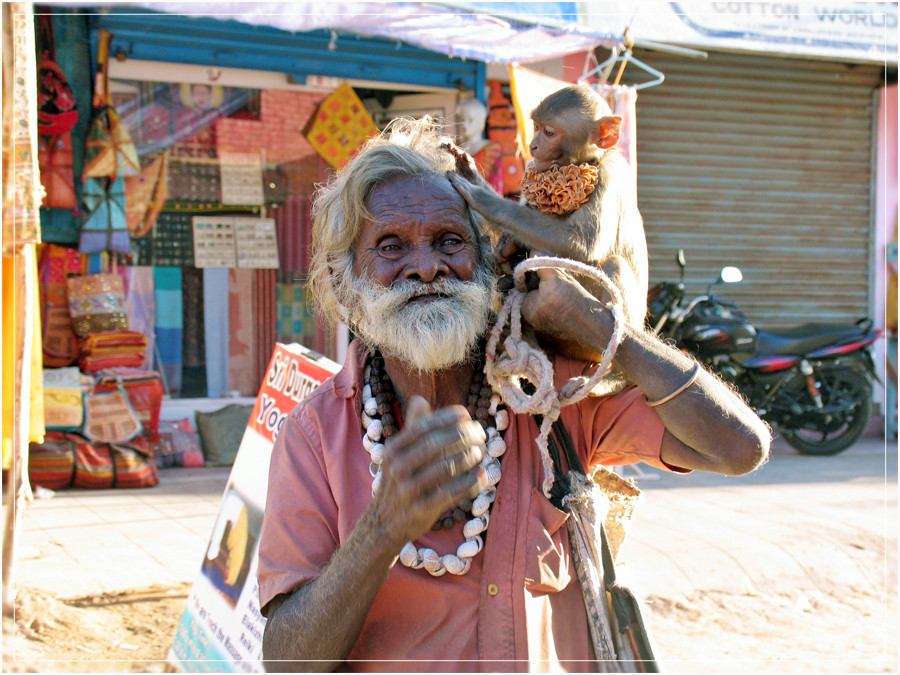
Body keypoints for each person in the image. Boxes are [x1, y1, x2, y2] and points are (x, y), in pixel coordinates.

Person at [257, 117, 771, 672]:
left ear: (486, 260)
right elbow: (287, 662)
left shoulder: (550, 394)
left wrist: (606, 328)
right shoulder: (313, 436)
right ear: (344, 279)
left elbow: (739, 448)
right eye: (390, 246)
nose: (427, 267)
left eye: (450, 241)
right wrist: (380, 531)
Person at [456, 97, 504, 194]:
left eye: (470, 120)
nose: (465, 125)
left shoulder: (492, 150)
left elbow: (496, 185)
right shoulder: (455, 149)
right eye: (462, 119)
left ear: (481, 121)